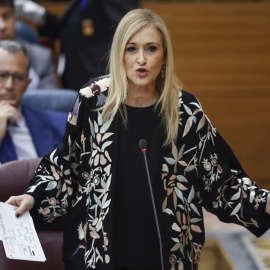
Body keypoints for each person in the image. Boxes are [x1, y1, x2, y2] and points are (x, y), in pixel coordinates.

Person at [6, 9, 270, 270]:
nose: (141, 59)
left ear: (164, 56)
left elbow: (221, 180)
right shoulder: (93, 101)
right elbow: (67, 165)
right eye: (132, 49)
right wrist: (34, 196)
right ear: (119, 53)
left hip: (169, 256)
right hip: (100, 255)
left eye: (151, 49)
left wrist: (264, 203)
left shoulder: (186, 111)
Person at [15, 0, 140, 90]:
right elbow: (72, 29)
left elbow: (127, 34)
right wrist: (40, 15)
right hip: (80, 80)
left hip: (101, 83)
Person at [0, 40, 68, 164]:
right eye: (1, 75)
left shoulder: (62, 124)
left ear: (27, 84)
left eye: (19, 77)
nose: (9, 85)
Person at [0, 0, 57, 89]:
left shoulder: (41, 58)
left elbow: (50, 101)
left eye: (6, 17)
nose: (2, 26)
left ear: (15, 18)